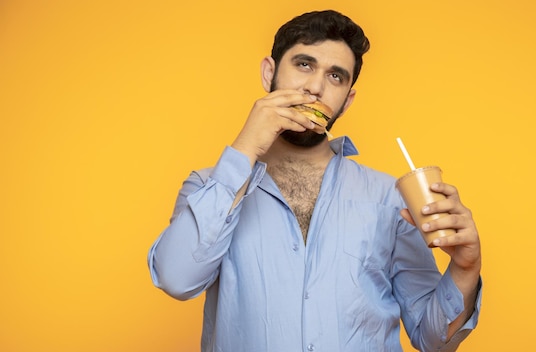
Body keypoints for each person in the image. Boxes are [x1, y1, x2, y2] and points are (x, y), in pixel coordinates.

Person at [148, 9, 482, 352]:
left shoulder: (391, 199)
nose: (315, 87)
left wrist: (465, 269)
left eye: (336, 76)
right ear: (269, 73)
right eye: (304, 64)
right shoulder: (208, 186)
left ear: (347, 100)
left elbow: (433, 340)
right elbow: (177, 279)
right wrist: (245, 146)